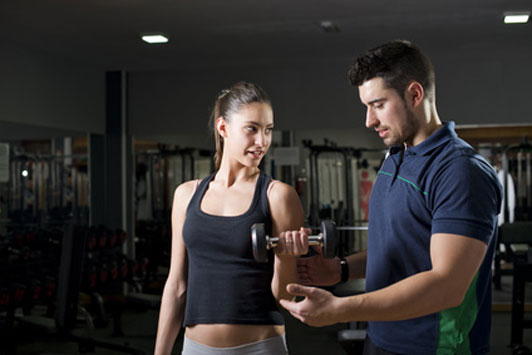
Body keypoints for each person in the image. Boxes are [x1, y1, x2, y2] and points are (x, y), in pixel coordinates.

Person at [280, 40, 502, 355]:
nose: (369, 120)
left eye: (378, 105)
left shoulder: (459, 172)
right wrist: (341, 269)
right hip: (382, 338)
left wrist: (343, 308)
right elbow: (401, 248)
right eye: (366, 106)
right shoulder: (395, 158)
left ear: (414, 94)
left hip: (433, 347)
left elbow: (448, 286)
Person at [154, 81, 307, 355]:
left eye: (268, 130)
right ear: (223, 128)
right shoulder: (186, 195)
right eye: (252, 129)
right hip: (195, 348)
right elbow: (177, 284)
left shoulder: (278, 196)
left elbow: (286, 296)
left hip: (260, 347)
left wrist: (285, 256)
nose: (262, 141)